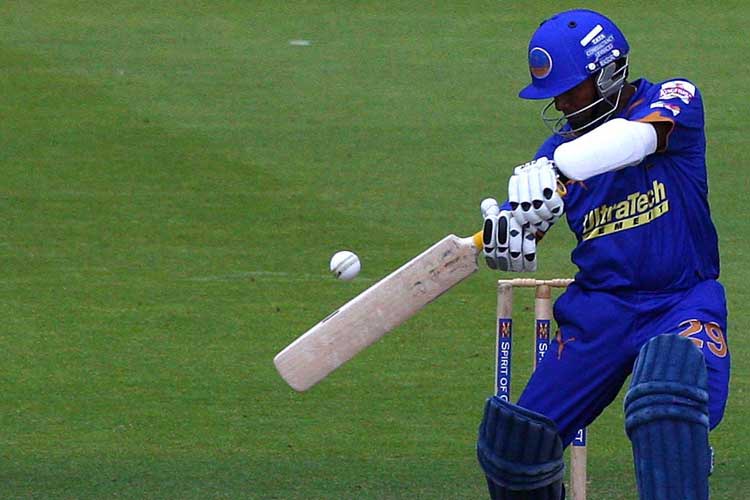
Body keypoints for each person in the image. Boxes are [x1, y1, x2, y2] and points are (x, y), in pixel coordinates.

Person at [475, 9, 730, 500]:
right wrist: (511, 234)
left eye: (573, 89)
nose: (563, 103)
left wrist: (561, 166)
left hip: (679, 302)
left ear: (610, 72)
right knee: (515, 449)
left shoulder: (672, 99)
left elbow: (636, 139)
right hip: (599, 313)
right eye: (556, 94)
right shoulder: (552, 155)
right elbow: (523, 226)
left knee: (667, 400)